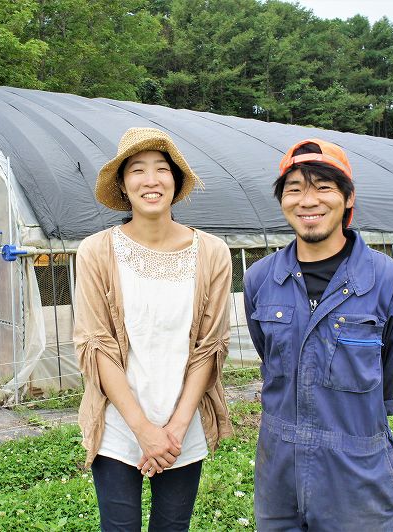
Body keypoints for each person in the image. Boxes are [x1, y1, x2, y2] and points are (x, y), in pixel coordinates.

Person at [244, 139, 393, 531]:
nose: (308, 200)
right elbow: (268, 354)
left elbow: (392, 377)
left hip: (356, 468)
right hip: (279, 471)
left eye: (323, 186)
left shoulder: (391, 283)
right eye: (294, 189)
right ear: (282, 201)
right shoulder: (260, 280)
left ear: (347, 197)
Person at [74, 127, 233, 531]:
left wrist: (174, 429)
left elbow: (209, 347)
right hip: (118, 424)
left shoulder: (212, 252)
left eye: (162, 169)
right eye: (137, 170)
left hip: (184, 425)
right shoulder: (96, 251)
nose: (151, 179)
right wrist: (144, 430)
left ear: (175, 182)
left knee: (172, 527)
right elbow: (97, 346)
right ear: (123, 185)